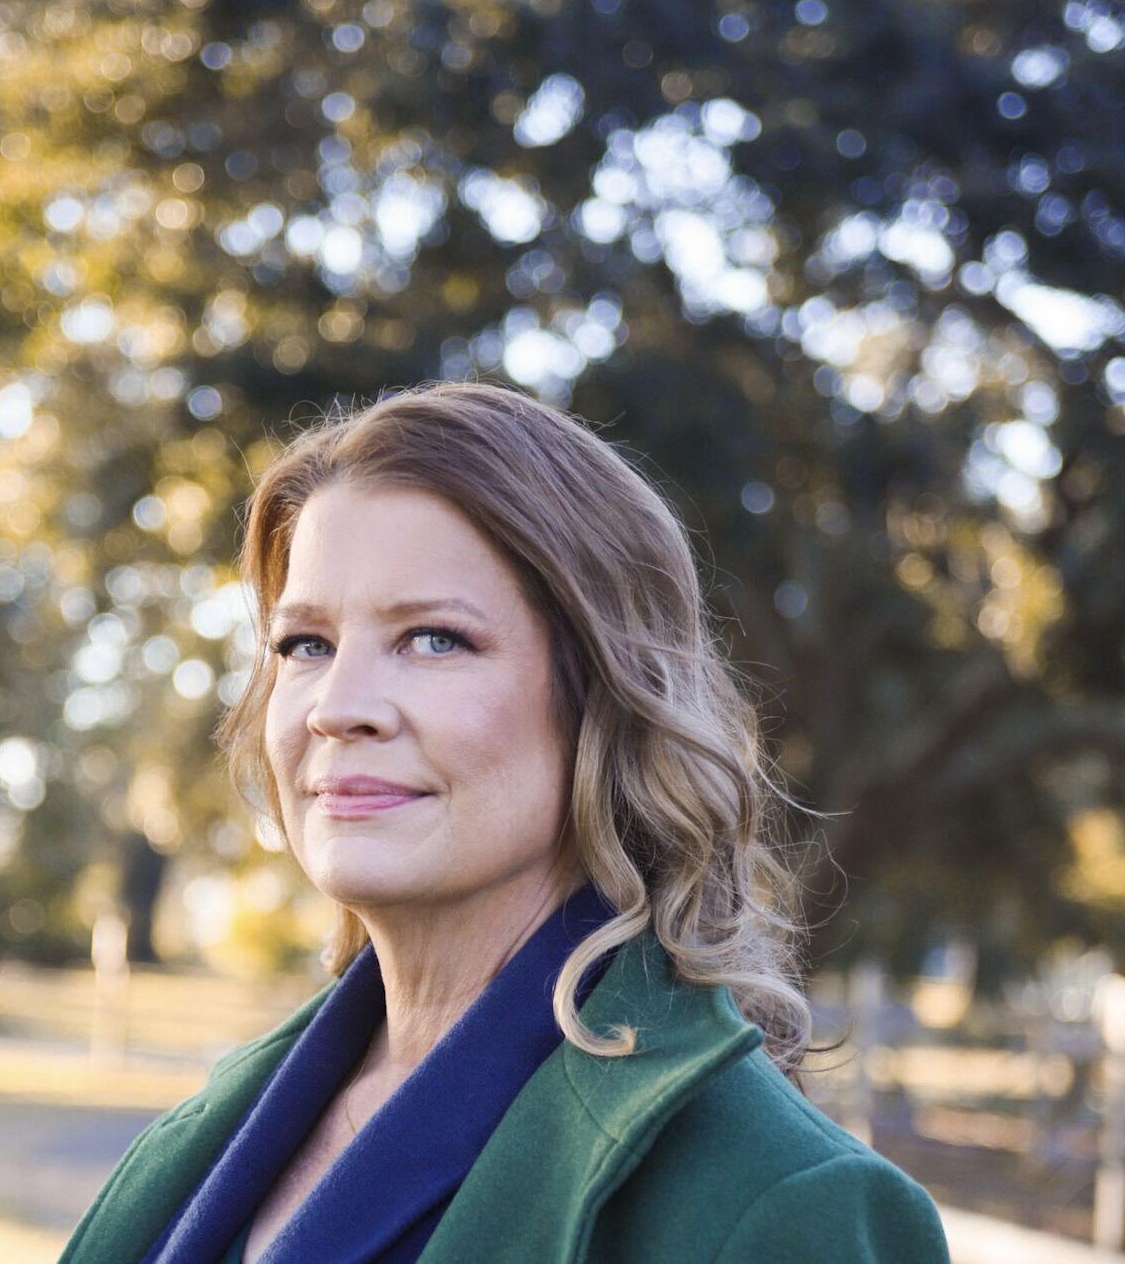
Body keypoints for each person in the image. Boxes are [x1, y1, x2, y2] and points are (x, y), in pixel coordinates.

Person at [59, 381, 950, 1263]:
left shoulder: (786, 1206)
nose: (337, 706)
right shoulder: (210, 1132)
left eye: (434, 639)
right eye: (307, 645)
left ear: (605, 698)